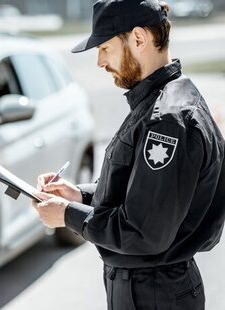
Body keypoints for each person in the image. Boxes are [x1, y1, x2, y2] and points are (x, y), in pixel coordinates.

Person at [32, 0, 225, 309]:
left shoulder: (166, 119)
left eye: (105, 48)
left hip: (155, 294)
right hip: (150, 290)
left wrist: (67, 215)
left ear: (138, 39)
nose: (99, 61)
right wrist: (79, 196)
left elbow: (143, 232)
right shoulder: (159, 102)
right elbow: (140, 191)